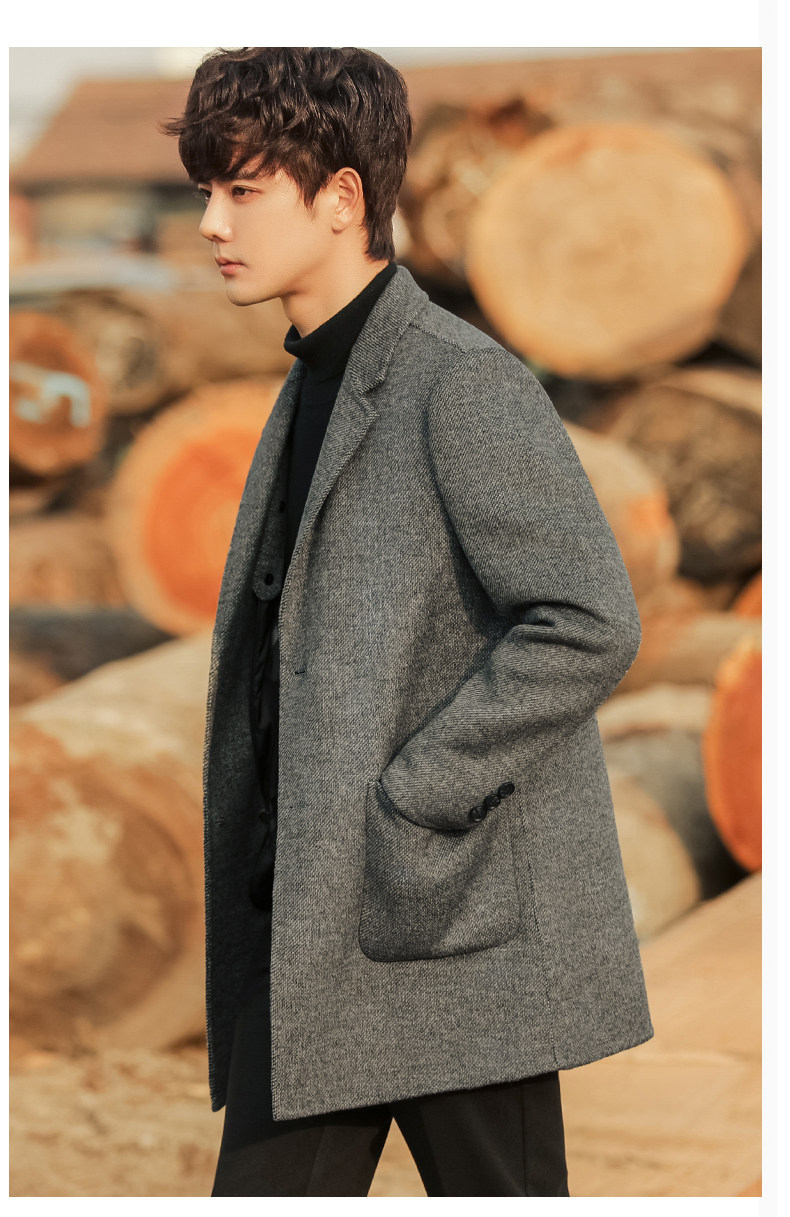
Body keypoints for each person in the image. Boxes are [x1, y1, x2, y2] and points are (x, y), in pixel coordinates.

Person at [161, 46, 654, 1198]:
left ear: (341, 198)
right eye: (206, 192)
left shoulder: (458, 381)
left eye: (242, 190)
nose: (210, 223)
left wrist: (415, 795)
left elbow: (586, 617)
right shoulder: (311, 381)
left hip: (448, 923)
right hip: (316, 929)